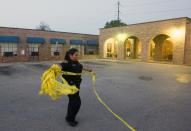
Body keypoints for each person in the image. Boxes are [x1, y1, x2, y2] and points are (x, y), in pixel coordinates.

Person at [60, 48, 92, 127]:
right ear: (70, 55)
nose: (77, 56)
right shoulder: (66, 63)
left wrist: (87, 69)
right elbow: (59, 65)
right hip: (70, 87)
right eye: (76, 55)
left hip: (76, 86)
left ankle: (69, 117)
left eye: (78, 54)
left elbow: (80, 67)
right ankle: (70, 119)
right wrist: (54, 68)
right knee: (76, 103)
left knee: (72, 102)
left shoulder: (76, 62)